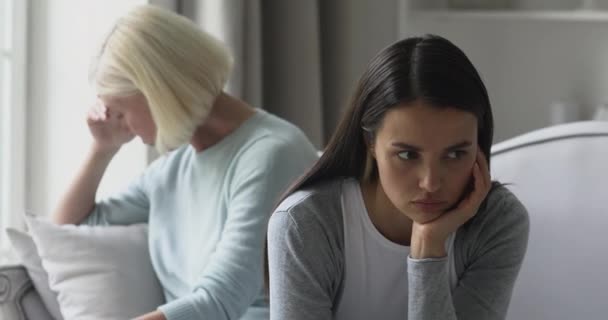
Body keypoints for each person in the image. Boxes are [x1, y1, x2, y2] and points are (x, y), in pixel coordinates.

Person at [52, 5, 318, 320]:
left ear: (157, 93)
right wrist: (103, 148)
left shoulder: (271, 156)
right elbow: (67, 231)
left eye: (121, 113)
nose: (125, 126)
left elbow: (218, 302)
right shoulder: (172, 169)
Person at [266, 34, 530, 320]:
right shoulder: (306, 225)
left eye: (454, 155)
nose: (430, 182)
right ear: (370, 143)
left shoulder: (497, 223)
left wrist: (428, 248)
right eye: (407, 155)